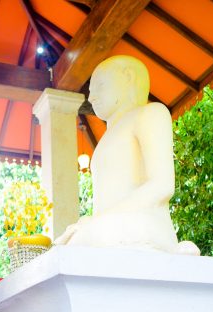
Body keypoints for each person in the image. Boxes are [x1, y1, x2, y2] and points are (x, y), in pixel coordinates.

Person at [55, 55, 199, 255]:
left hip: (142, 224)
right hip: (110, 226)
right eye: (90, 91)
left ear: (128, 77)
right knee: (68, 244)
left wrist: (97, 222)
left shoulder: (150, 113)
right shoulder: (104, 140)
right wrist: (92, 222)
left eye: (99, 86)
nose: (91, 97)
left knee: (83, 241)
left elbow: (162, 184)